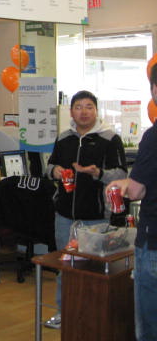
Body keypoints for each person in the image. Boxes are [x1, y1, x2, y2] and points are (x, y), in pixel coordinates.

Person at [44, 90, 127, 329]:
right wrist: (55, 171)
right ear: (71, 112)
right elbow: (49, 167)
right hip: (64, 215)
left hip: (96, 217)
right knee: (65, 266)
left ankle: (95, 316)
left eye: (89, 106)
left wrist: (97, 173)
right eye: (78, 107)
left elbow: (121, 174)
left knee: (94, 269)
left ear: (96, 110)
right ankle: (64, 312)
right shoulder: (64, 138)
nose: (84, 112)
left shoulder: (110, 139)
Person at [108, 64, 157, 341]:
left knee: (149, 325)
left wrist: (122, 184)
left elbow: (137, 191)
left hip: (154, 241)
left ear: (155, 90)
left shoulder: (153, 137)